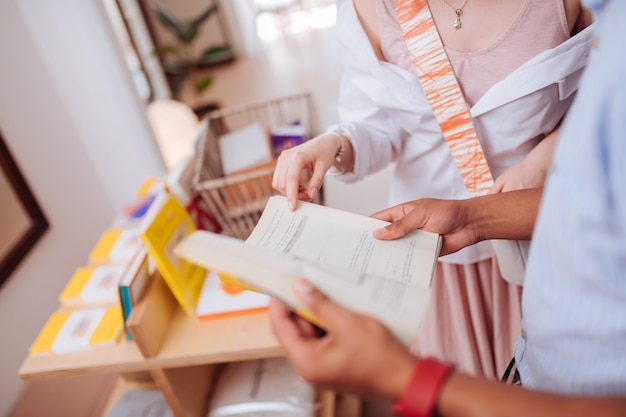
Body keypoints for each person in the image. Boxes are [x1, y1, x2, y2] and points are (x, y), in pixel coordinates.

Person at [268, 0, 626, 414]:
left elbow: (605, 93)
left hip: (542, 240)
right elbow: (383, 121)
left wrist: (545, 159)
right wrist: (336, 145)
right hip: (430, 250)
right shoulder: (367, 8)